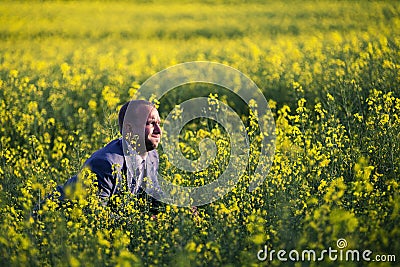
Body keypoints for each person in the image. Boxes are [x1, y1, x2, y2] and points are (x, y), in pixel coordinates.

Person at [57, 100, 164, 207]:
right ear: (129, 129)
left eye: (159, 123)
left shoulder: (152, 156)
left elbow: (151, 196)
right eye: (150, 123)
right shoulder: (105, 164)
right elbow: (95, 214)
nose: (158, 130)